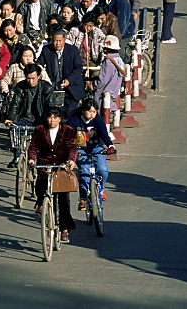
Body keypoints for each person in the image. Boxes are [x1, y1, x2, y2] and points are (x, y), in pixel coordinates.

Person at [27, 107, 78, 243]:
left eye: (55, 118)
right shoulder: (40, 130)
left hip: (60, 167)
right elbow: (34, 147)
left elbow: (71, 147)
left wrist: (71, 160)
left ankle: (64, 230)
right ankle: (41, 203)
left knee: (63, 199)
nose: (52, 120)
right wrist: (32, 158)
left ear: (59, 119)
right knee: (40, 184)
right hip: (45, 166)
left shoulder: (67, 130)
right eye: (50, 117)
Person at [67, 100, 115, 209]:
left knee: (103, 170)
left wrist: (110, 146)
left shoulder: (98, 120)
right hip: (80, 150)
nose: (92, 114)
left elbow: (104, 134)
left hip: (96, 148)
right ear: (83, 111)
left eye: (94, 111)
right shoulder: (75, 120)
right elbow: (68, 136)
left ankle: (101, 189)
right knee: (84, 172)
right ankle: (83, 198)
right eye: (89, 111)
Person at [37, 30, 84, 114]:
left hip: (71, 88)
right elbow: (39, 65)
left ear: (64, 40)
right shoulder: (46, 49)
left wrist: (69, 80)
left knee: (69, 113)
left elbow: (78, 68)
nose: (57, 43)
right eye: (55, 41)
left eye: (59, 41)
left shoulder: (73, 50)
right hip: (54, 88)